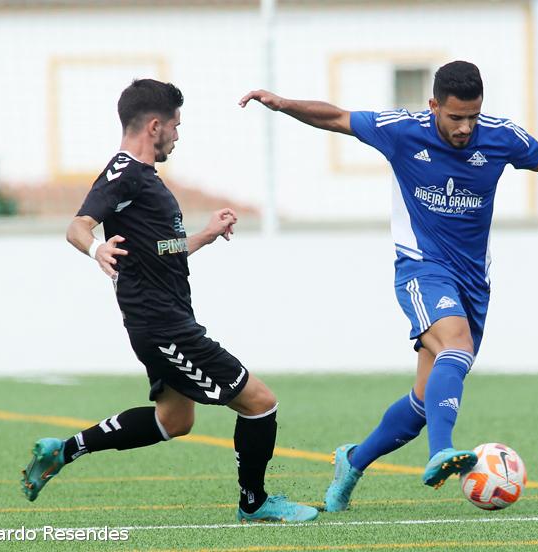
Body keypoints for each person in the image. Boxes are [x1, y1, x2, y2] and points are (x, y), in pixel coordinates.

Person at [239, 60, 538, 512]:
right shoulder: (402, 131)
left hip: (473, 281)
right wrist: (283, 103)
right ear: (433, 106)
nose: (465, 128)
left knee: (426, 400)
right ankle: (441, 452)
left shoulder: (502, 137)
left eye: (473, 116)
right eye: (455, 117)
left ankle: (353, 461)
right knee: (456, 345)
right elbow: (336, 117)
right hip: (421, 268)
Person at [20, 79, 318, 523]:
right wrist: (96, 248)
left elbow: (162, 250)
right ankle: (254, 503)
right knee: (260, 402)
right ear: (154, 126)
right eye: (176, 126)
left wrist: (204, 235)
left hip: (165, 321)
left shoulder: (145, 181)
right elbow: (77, 226)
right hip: (163, 326)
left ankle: (62, 451)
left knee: (174, 420)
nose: (178, 135)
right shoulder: (124, 172)